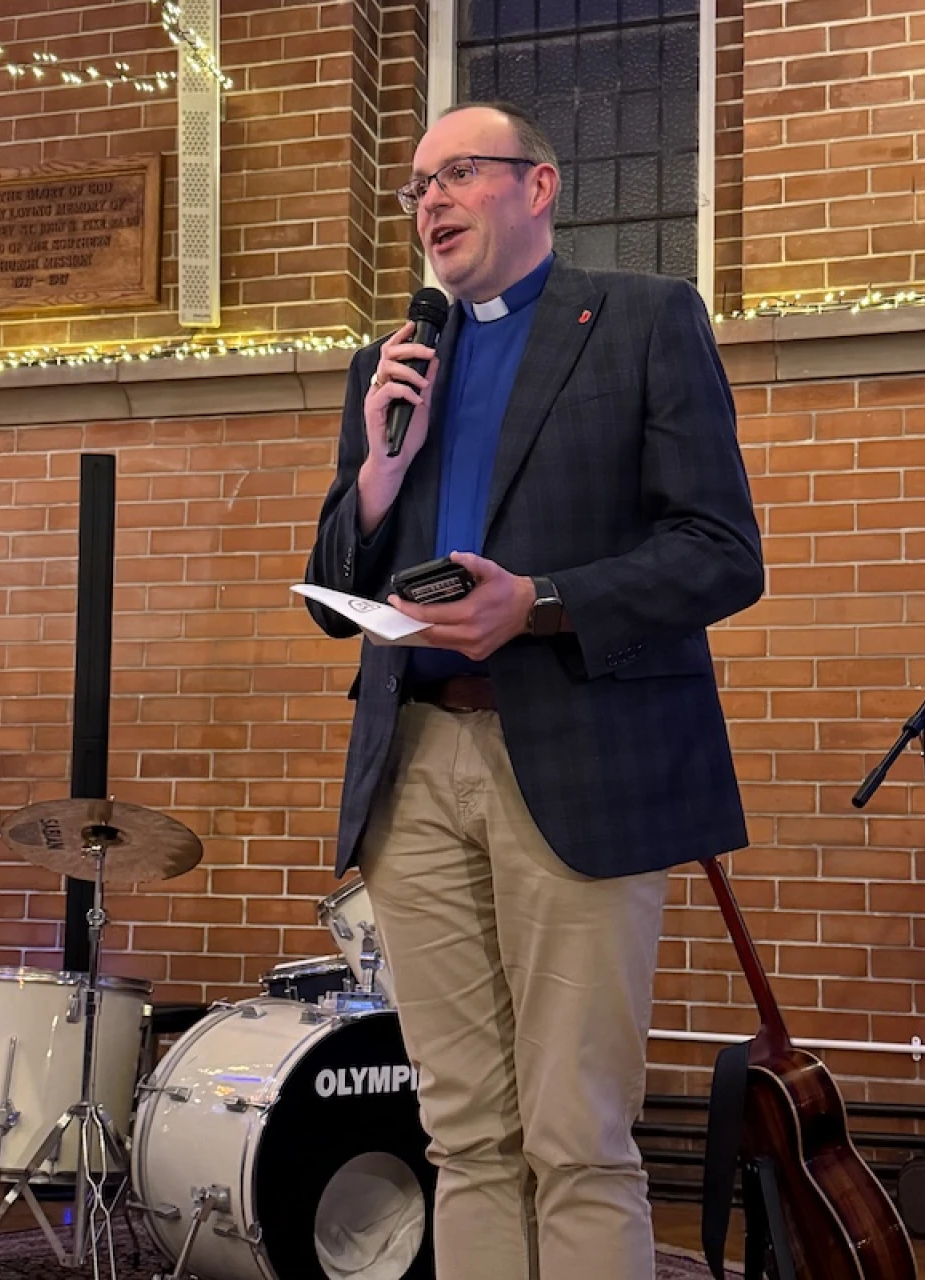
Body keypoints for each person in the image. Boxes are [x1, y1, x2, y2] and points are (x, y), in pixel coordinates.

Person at [306, 101, 763, 1280]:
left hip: (576, 758)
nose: (430, 203)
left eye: (457, 173)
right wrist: (373, 475)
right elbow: (327, 595)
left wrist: (539, 599)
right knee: (462, 1132)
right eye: (415, 187)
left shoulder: (645, 321)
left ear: (540, 184)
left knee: (577, 1136)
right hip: (414, 764)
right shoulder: (391, 366)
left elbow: (722, 550)